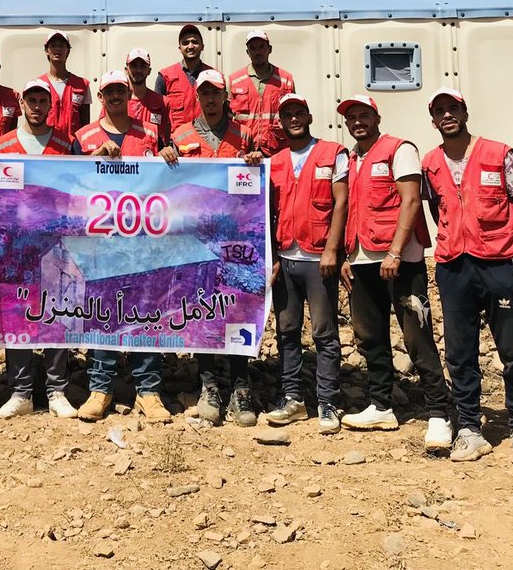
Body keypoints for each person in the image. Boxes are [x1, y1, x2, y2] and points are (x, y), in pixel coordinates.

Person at [421, 88, 513, 467]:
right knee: (459, 351)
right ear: (434, 120)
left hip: (498, 265)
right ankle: (470, 428)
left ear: (464, 112)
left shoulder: (498, 153)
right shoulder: (431, 163)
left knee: (511, 348)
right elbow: (436, 207)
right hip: (453, 265)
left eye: (452, 108)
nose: (447, 115)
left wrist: (499, 235)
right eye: (439, 111)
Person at [336, 95, 452, 451]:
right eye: (351, 117)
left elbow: (411, 201)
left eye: (364, 115)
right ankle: (381, 405)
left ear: (376, 116)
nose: (358, 121)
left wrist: (395, 251)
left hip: (398, 259)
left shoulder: (399, 149)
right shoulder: (351, 158)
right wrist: (345, 254)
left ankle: (439, 413)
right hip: (361, 258)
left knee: (416, 336)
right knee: (370, 336)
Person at [159, 69, 263, 427]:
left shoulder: (244, 134)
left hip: (236, 241)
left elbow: (259, 178)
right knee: (202, 308)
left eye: (216, 93)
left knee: (237, 308)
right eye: (204, 93)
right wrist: (165, 155)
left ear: (225, 97)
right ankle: (208, 385)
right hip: (196, 241)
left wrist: (255, 160)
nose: (210, 99)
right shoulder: (181, 134)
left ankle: (240, 385)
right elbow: (167, 179)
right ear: (197, 97)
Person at [71, 70, 168, 422]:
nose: (115, 96)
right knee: (102, 316)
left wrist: (169, 157)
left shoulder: (150, 133)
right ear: (100, 96)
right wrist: (92, 157)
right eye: (108, 91)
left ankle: (149, 392)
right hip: (100, 244)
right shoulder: (84, 137)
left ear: (129, 94)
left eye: (120, 91)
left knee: (147, 315)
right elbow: (68, 180)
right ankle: (100, 388)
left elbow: (167, 178)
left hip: (144, 243)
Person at [0, 78, 79, 420]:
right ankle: (21, 392)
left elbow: (78, 188)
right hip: (14, 250)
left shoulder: (64, 143)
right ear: (22, 103)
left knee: (57, 315)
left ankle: (56, 390)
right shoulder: (3, 146)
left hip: (56, 244)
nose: (37, 106)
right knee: (17, 314)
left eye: (43, 100)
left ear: (50, 106)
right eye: (31, 100)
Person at [265, 93, 347, 434]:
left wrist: (331, 250)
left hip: (318, 259)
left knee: (324, 333)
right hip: (286, 258)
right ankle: (293, 398)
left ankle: (328, 402)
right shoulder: (276, 160)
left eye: (299, 112)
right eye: (288, 115)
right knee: (287, 332)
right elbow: (266, 214)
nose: (294, 119)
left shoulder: (332, 153)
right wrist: (271, 257)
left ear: (310, 116)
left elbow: (341, 203)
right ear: (281, 123)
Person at [227, 31, 297, 157]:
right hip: (243, 150)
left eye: (261, 47)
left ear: (269, 49)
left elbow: (293, 116)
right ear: (248, 52)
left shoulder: (285, 79)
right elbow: (226, 117)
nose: (257, 52)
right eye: (252, 48)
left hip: (276, 150)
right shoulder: (234, 80)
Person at [104, 47, 171, 145]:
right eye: (134, 65)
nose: (138, 70)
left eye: (143, 66)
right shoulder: (116, 101)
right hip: (122, 156)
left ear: (149, 70)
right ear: (126, 70)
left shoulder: (163, 102)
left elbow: (165, 137)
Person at [155, 24, 215, 131]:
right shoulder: (165, 76)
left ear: (202, 46)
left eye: (195, 42)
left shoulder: (213, 75)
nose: (190, 46)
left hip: (206, 140)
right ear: (180, 48)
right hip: (176, 142)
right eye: (185, 43)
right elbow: (157, 114)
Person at [42, 32, 90, 142]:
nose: (57, 49)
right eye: (53, 46)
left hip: (74, 149)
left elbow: (85, 123)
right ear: (46, 51)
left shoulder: (82, 84)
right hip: (48, 147)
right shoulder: (38, 84)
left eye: (61, 46)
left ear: (68, 51)